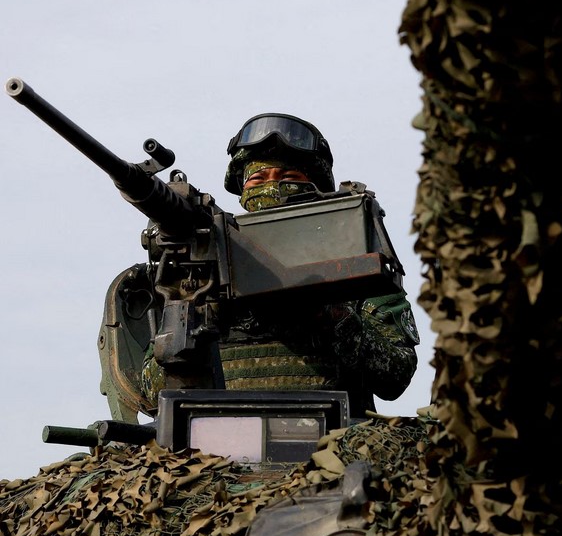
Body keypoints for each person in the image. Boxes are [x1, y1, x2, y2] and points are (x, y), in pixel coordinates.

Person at [101, 113, 421, 422]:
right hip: (216, 444)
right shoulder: (208, 270)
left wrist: (329, 313)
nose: (272, 187)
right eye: (258, 179)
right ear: (243, 190)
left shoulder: (351, 265)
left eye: (289, 178)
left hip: (330, 444)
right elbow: (154, 390)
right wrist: (199, 318)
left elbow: (396, 376)